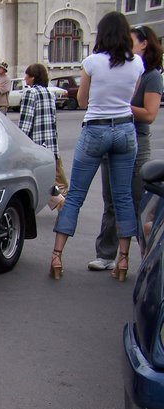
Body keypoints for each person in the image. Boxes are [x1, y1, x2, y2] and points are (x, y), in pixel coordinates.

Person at [50, 11, 144, 281]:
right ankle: (123, 262)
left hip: (96, 128)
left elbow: (81, 100)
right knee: (123, 196)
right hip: (125, 129)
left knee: (76, 194)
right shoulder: (136, 62)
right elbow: (131, 94)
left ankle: (57, 256)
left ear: (101, 34)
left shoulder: (92, 62)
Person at [88, 24, 164, 271]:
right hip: (114, 134)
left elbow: (150, 114)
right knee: (110, 199)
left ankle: (146, 254)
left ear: (144, 44)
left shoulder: (151, 75)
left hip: (136, 140)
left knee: (136, 198)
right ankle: (106, 255)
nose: (125, 45)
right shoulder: (119, 68)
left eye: (131, 41)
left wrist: (117, 105)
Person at [18, 63, 68, 211]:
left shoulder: (30, 93)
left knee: (37, 179)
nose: (25, 78)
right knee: (55, 178)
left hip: (36, 144)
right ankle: (64, 203)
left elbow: (26, 122)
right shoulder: (49, 93)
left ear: (33, 78)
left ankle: (60, 202)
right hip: (51, 144)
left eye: (27, 76)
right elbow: (52, 120)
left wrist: (20, 144)